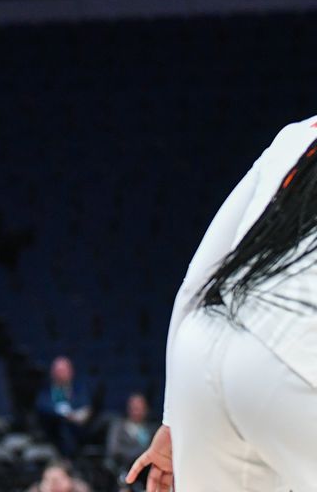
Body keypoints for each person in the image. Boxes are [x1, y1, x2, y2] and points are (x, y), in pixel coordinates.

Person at [127, 117, 317, 491]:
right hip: (292, 353)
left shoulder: (296, 134)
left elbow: (197, 280)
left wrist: (174, 419)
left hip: (201, 348)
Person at [36, 356, 92, 458]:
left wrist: (78, 416)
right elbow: (42, 407)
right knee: (62, 426)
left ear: (71, 372)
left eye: (63, 371)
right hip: (53, 428)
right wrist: (64, 415)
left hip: (77, 429)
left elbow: (86, 408)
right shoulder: (45, 391)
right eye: (58, 371)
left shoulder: (79, 390)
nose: (60, 374)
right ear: (52, 373)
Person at [105, 393, 153, 481]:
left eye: (140, 408)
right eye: (134, 408)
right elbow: (114, 449)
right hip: (123, 468)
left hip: (147, 471)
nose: (137, 411)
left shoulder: (152, 429)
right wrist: (139, 454)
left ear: (146, 409)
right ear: (129, 409)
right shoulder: (118, 427)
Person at [26, 460, 91, 492]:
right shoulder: (37, 489)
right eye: (48, 479)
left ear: (70, 479)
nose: (53, 484)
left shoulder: (79, 488)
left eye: (58, 480)